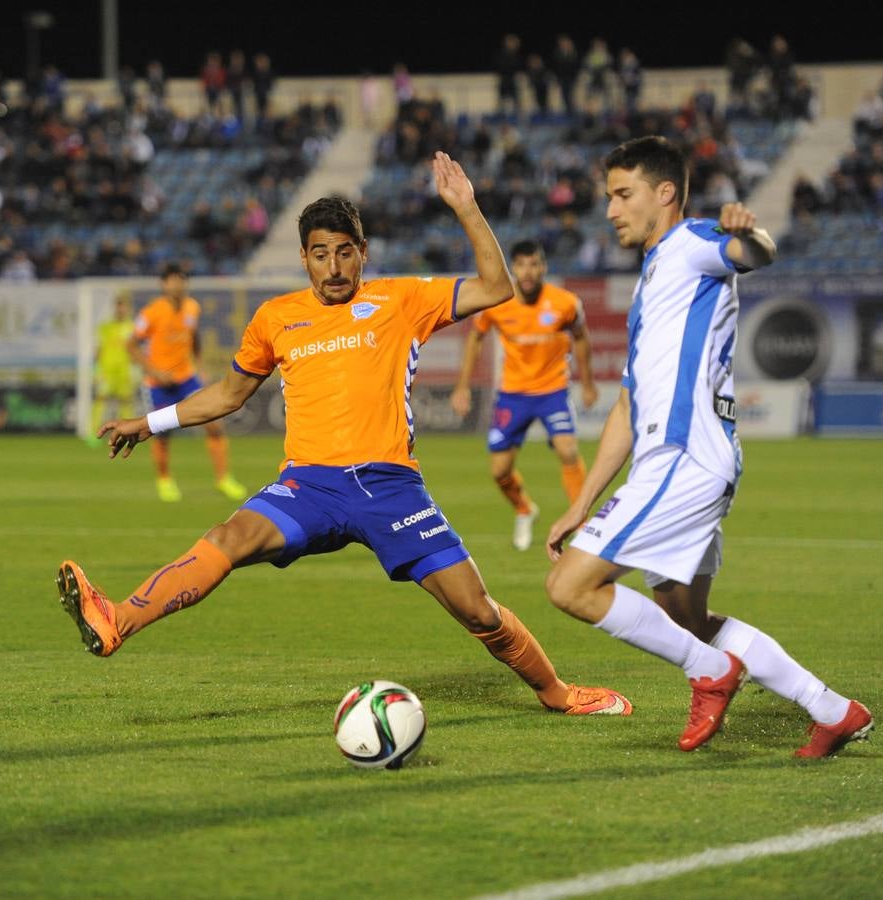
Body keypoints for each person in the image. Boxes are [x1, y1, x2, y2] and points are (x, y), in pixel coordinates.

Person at [58, 153, 632, 719]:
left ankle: (556, 692)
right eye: (320, 254)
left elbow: (495, 287)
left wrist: (466, 207)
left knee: (477, 611)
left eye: (344, 253)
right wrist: (148, 421)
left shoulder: (401, 300)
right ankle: (115, 622)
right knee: (228, 537)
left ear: (363, 255)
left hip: (391, 488)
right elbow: (229, 396)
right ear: (305, 260)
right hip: (308, 486)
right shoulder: (276, 317)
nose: (333, 267)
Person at [544, 137, 872, 757]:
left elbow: (755, 253)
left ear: (664, 193)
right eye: (608, 196)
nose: (610, 209)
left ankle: (709, 673)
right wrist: (582, 501)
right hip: (680, 460)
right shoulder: (652, 278)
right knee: (688, 622)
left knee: (569, 587)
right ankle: (833, 710)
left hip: (684, 456)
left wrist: (753, 233)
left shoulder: (693, 244)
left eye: (623, 194)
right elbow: (626, 403)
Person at [450, 241, 597, 551]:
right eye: (521, 265)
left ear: (543, 267)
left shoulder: (566, 303)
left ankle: (582, 525)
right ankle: (525, 509)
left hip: (553, 391)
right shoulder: (498, 303)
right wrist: (462, 386)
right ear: (513, 268)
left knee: (568, 450)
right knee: (500, 470)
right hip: (513, 395)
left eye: (534, 264)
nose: (528, 272)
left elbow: (581, 339)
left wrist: (587, 382)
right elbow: (475, 338)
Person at [130, 263, 247, 503]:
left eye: (181, 280)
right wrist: (154, 371)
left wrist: (200, 366)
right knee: (162, 433)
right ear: (163, 284)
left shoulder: (193, 307)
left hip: (186, 378)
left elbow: (194, 338)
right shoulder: (151, 313)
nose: (177, 284)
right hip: (157, 382)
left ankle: (223, 478)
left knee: (214, 423)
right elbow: (131, 344)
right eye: (172, 280)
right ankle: (164, 480)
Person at [93, 292, 139, 441]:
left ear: (127, 308)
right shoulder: (105, 327)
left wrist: (136, 368)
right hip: (107, 370)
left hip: (124, 371)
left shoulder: (133, 327)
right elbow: (99, 349)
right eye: (118, 306)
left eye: (123, 306)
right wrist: (96, 369)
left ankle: (128, 432)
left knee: (126, 401)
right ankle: (93, 434)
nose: (120, 309)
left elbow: (136, 349)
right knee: (101, 399)